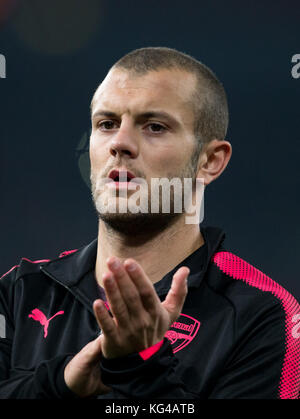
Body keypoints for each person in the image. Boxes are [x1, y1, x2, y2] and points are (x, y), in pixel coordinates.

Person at [0, 47, 299, 399]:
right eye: (106, 124)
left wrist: (142, 367)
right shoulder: (20, 291)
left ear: (210, 161)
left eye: (155, 127)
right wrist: (61, 383)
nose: (120, 143)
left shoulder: (267, 317)